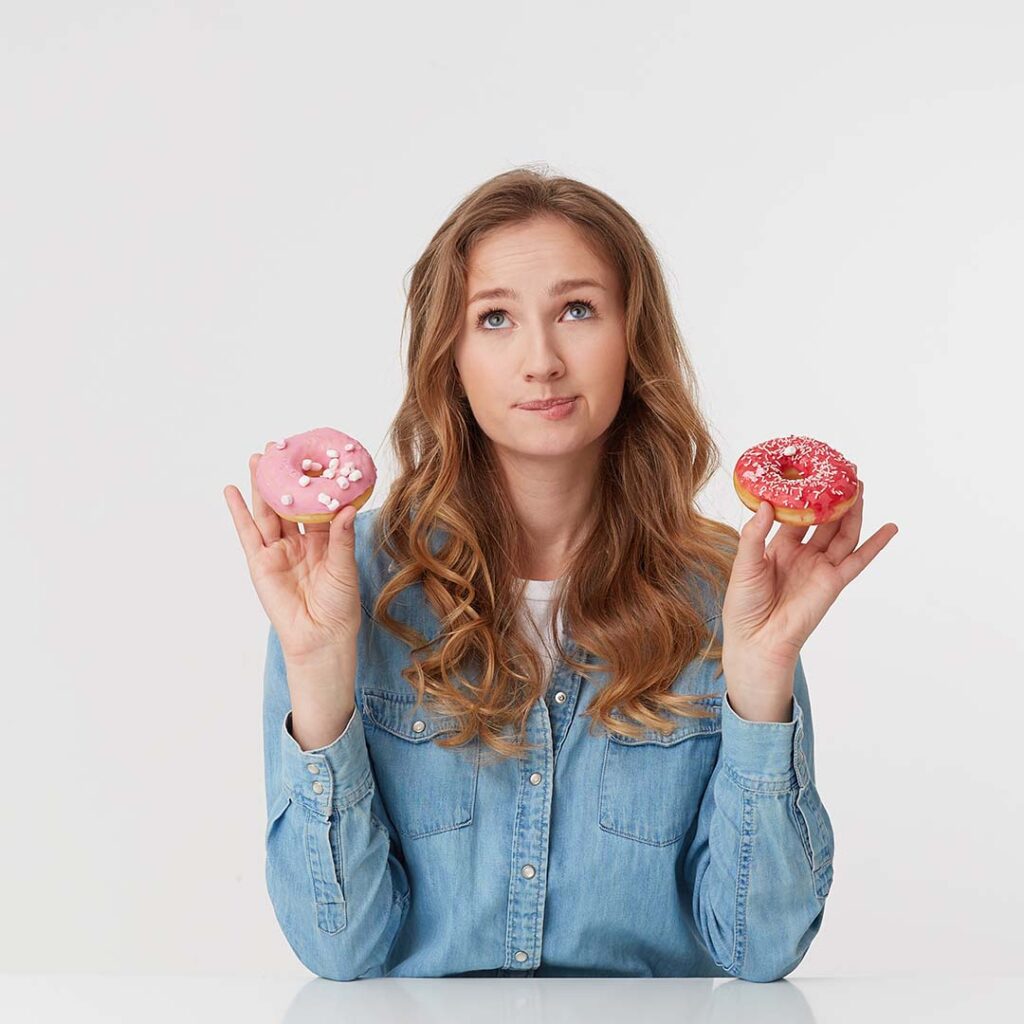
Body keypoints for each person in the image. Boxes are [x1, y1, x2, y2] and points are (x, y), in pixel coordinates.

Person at [224, 166, 897, 982]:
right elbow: (340, 952)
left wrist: (760, 676)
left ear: (631, 339)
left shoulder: (728, 585)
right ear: (452, 357)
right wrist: (317, 668)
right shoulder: (345, 577)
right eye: (496, 318)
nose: (541, 361)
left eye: (577, 310)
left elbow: (758, 953)